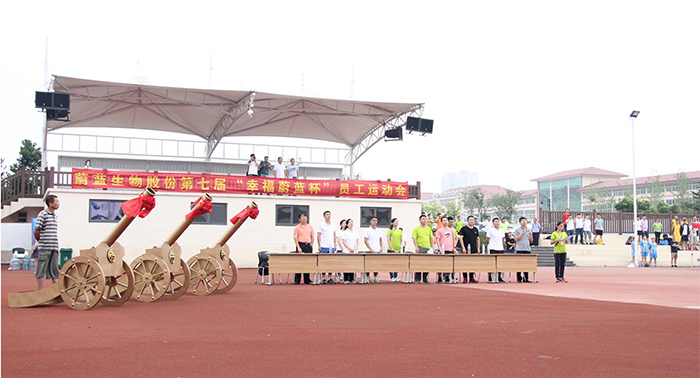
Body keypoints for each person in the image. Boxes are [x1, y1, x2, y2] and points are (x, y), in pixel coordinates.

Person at [34, 194, 60, 290]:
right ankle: (40, 292)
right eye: (56, 202)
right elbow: (37, 230)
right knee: (41, 270)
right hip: (45, 248)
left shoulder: (54, 216)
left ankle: (56, 292)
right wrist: (40, 241)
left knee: (55, 271)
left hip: (54, 248)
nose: (58, 204)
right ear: (50, 203)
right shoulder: (43, 214)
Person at [412, 214, 435, 284]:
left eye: (425, 219)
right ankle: (417, 278)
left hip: (427, 248)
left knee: (427, 264)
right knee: (419, 263)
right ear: (420, 220)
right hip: (420, 248)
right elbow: (414, 238)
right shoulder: (417, 228)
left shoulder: (428, 229)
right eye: (423, 219)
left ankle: (425, 278)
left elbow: (431, 238)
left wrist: (432, 247)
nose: (424, 220)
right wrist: (416, 246)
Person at [293, 212, 314, 284]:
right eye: (302, 217)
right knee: (299, 263)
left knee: (307, 263)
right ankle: (297, 279)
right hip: (301, 245)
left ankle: (307, 279)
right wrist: (298, 247)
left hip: (308, 245)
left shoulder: (310, 227)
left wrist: (312, 245)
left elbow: (312, 236)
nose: (304, 218)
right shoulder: (297, 228)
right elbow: (295, 237)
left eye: (305, 217)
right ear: (299, 219)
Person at [317, 210, 337, 284]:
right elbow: (318, 235)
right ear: (324, 216)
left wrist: (335, 244)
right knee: (323, 262)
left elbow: (334, 235)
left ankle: (329, 278)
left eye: (329, 214)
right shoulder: (321, 224)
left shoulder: (333, 224)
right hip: (323, 246)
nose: (328, 216)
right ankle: (324, 278)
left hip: (331, 246)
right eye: (327, 214)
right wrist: (319, 245)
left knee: (330, 262)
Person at [458, 215, 480, 283]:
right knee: (464, 263)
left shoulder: (475, 229)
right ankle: (465, 277)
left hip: (473, 249)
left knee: (472, 263)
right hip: (466, 248)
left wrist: (478, 247)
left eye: (473, 220)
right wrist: (463, 247)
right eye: (470, 220)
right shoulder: (464, 229)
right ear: (467, 221)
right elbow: (461, 238)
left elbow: (478, 238)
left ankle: (471, 277)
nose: (471, 221)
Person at [435, 216, 456, 283]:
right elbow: (437, 239)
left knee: (448, 264)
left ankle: (447, 276)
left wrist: (453, 247)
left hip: (449, 248)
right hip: (442, 249)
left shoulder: (451, 230)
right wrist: (439, 248)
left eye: (446, 220)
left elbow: (453, 239)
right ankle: (439, 276)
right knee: (440, 264)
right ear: (441, 222)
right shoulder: (439, 230)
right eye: (443, 220)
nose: (445, 222)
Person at [514, 216, 534, 283]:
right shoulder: (517, 230)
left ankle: (526, 278)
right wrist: (521, 234)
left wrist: (531, 235)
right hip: (520, 249)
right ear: (520, 222)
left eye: (525, 221)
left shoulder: (528, 230)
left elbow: (531, 241)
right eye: (522, 221)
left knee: (526, 264)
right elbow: (516, 239)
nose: (524, 222)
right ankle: (519, 278)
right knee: (519, 264)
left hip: (527, 249)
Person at [364, 217, 384, 283]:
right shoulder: (368, 230)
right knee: (368, 265)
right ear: (370, 221)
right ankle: (367, 278)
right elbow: (365, 240)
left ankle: (375, 278)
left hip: (377, 250)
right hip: (370, 250)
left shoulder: (379, 230)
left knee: (376, 265)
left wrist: (381, 247)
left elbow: (381, 239)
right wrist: (370, 248)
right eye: (373, 220)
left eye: (376, 220)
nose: (375, 222)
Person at [486, 217, 506, 283]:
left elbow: (503, 239)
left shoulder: (501, 230)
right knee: (491, 264)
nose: (497, 223)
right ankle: (490, 276)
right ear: (493, 223)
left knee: (500, 264)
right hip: (493, 248)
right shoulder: (490, 230)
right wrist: (491, 244)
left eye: (498, 221)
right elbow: (487, 239)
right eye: (496, 221)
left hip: (500, 248)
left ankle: (499, 277)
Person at [341, 219, 360, 283]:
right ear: (347, 224)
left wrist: (356, 248)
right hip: (346, 251)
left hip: (354, 251)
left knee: (352, 265)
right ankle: (346, 279)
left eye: (352, 222)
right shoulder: (345, 232)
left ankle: (351, 278)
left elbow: (357, 241)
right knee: (346, 265)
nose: (351, 223)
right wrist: (350, 249)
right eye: (349, 222)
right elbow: (344, 242)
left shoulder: (355, 232)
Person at [387, 218, 404, 282]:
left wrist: (400, 248)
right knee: (390, 263)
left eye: (397, 222)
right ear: (392, 223)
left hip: (397, 249)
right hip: (391, 249)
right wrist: (391, 248)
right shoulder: (390, 230)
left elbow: (401, 240)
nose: (396, 223)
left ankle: (396, 276)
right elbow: (388, 240)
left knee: (397, 263)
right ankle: (392, 276)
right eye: (395, 222)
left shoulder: (399, 231)